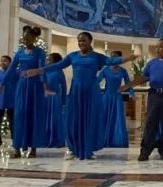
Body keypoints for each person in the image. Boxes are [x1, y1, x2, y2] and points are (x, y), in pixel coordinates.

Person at [26, 32, 137, 160]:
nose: (81, 43)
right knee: (74, 119)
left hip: (91, 93)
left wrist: (127, 59)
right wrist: (38, 70)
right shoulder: (73, 56)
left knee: (89, 120)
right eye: (79, 41)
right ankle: (73, 149)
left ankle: (88, 149)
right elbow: (57, 65)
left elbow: (110, 61)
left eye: (84, 40)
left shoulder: (97, 57)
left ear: (90, 41)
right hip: (76, 92)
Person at [6, 26, 47, 158]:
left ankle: (33, 147)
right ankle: (17, 148)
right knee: (19, 115)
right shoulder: (19, 52)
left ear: (34, 38)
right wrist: (0, 84)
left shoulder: (39, 52)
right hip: (22, 86)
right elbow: (11, 69)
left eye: (29, 37)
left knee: (33, 115)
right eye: (24, 37)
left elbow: (42, 68)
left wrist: (44, 85)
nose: (26, 39)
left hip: (35, 87)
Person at [97, 51, 134, 148]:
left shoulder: (123, 71)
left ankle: (116, 139)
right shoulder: (105, 70)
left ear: (120, 59)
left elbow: (128, 83)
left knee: (117, 118)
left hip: (117, 97)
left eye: (115, 57)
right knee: (104, 117)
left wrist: (131, 92)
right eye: (111, 57)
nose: (113, 59)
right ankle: (103, 139)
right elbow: (96, 81)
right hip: (106, 97)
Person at [42, 52, 67, 149]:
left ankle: (55, 140)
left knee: (54, 119)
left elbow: (64, 86)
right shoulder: (44, 70)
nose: (47, 60)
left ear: (55, 61)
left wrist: (64, 101)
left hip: (55, 97)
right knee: (44, 119)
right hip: (44, 97)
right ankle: (43, 139)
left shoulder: (58, 71)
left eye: (49, 59)